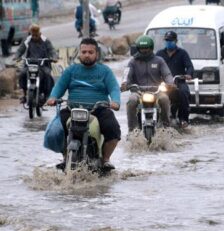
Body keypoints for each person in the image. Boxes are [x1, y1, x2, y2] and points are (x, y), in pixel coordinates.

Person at [47, 37, 120, 170]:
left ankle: (105, 159)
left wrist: (115, 101)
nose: (86, 55)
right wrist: (52, 97)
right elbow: (59, 86)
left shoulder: (105, 71)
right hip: (73, 108)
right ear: (79, 53)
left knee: (113, 129)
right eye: (84, 52)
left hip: (99, 110)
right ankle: (65, 156)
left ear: (96, 54)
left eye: (90, 52)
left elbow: (114, 88)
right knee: (56, 129)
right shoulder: (71, 71)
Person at [121, 35, 173, 133]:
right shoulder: (133, 62)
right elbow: (126, 75)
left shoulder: (159, 60)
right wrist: (124, 84)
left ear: (151, 48)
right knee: (131, 101)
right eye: (142, 48)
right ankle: (132, 130)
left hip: (156, 91)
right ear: (138, 49)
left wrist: (170, 83)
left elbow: (167, 74)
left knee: (165, 99)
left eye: (146, 48)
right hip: (138, 92)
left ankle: (166, 127)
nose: (144, 50)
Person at [156, 31, 194, 128]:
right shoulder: (159, 54)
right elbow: (153, 66)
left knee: (184, 93)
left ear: (176, 41)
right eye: (167, 40)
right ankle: (153, 119)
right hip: (163, 84)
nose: (169, 42)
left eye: (171, 40)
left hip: (178, 82)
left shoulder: (182, 53)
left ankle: (183, 119)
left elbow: (189, 66)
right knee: (151, 95)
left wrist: (188, 74)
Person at [13, 24, 58, 104]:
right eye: (33, 35)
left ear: (39, 33)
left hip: (43, 65)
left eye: (36, 35)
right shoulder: (27, 40)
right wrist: (17, 56)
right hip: (29, 64)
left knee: (48, 75)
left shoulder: (45, 40)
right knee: (22, 74)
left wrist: (54, 57)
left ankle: (47, 95)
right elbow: (20, 50)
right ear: (31, 33)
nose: (34, 37)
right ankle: (24, 94)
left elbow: (52, 50)